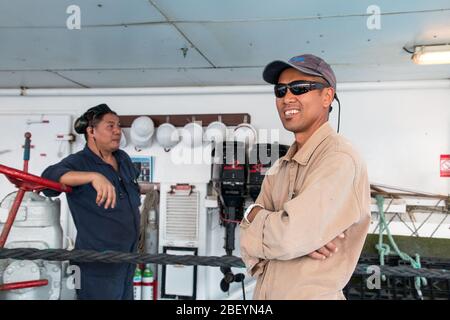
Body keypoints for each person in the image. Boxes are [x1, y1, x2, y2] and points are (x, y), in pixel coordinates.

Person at [239, 54, 371, 299]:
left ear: (327, 96)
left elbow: (289, 238)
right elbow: (246, 240)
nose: (287, 98)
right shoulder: (280, 166)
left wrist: (260, 221)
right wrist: (253, 215)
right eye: (280, 91)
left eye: (300, 88)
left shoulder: (339, 159)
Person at [41, 104, 141, 300]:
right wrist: (93, 176)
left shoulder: (122, 158)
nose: (118, 131)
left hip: (128, 260)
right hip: (96, 266)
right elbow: (48, 180)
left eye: (119, 126)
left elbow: (127, 191)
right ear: (91, 131)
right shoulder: (80, 162)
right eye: (110, 126)